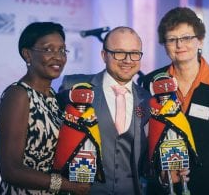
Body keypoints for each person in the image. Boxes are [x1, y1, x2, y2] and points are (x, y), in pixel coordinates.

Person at [142, 7, 209, 195]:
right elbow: (143, 144)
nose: (179, 45)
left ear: (199, 40)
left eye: (186, 38)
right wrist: (160, 176)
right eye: (172, 39)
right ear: (164, 44)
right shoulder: (150, 82)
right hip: (165, 189)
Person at [0, 22, 90, 195]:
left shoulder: (54, 97)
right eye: (48, 50)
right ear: (27, 54)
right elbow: (10, 169)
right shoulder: (19, 95)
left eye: (62, 50)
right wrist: (68, 186)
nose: (58, 57)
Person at [57, 26, 151, 194]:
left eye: (134, 53)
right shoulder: (73, 87)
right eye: (119, 53)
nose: (128, 60)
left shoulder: (148, 100)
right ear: (104, 55)